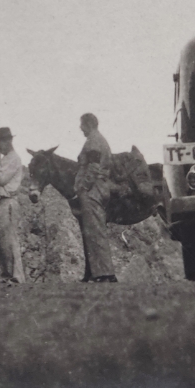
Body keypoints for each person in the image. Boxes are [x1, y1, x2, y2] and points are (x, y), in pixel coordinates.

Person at [75, 113, 117, 283]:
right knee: (95, 230)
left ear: (89, 124)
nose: (80, 128)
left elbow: (93, 167)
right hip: (98, 188)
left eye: (82, 124)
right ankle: (100, 272)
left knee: (95, 230)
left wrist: (83, 187)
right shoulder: (99, 139)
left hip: (93, 190)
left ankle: (105, 273)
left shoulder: (93, 140)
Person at [0, 127, 26, 283]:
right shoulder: (6, 159)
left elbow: (2, 179)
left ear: (7, 141)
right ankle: (7, 274)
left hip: (8, 202)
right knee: (2, 242)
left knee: (10, 240)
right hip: (0, 202)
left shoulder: (13, 158)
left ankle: (17, 276)